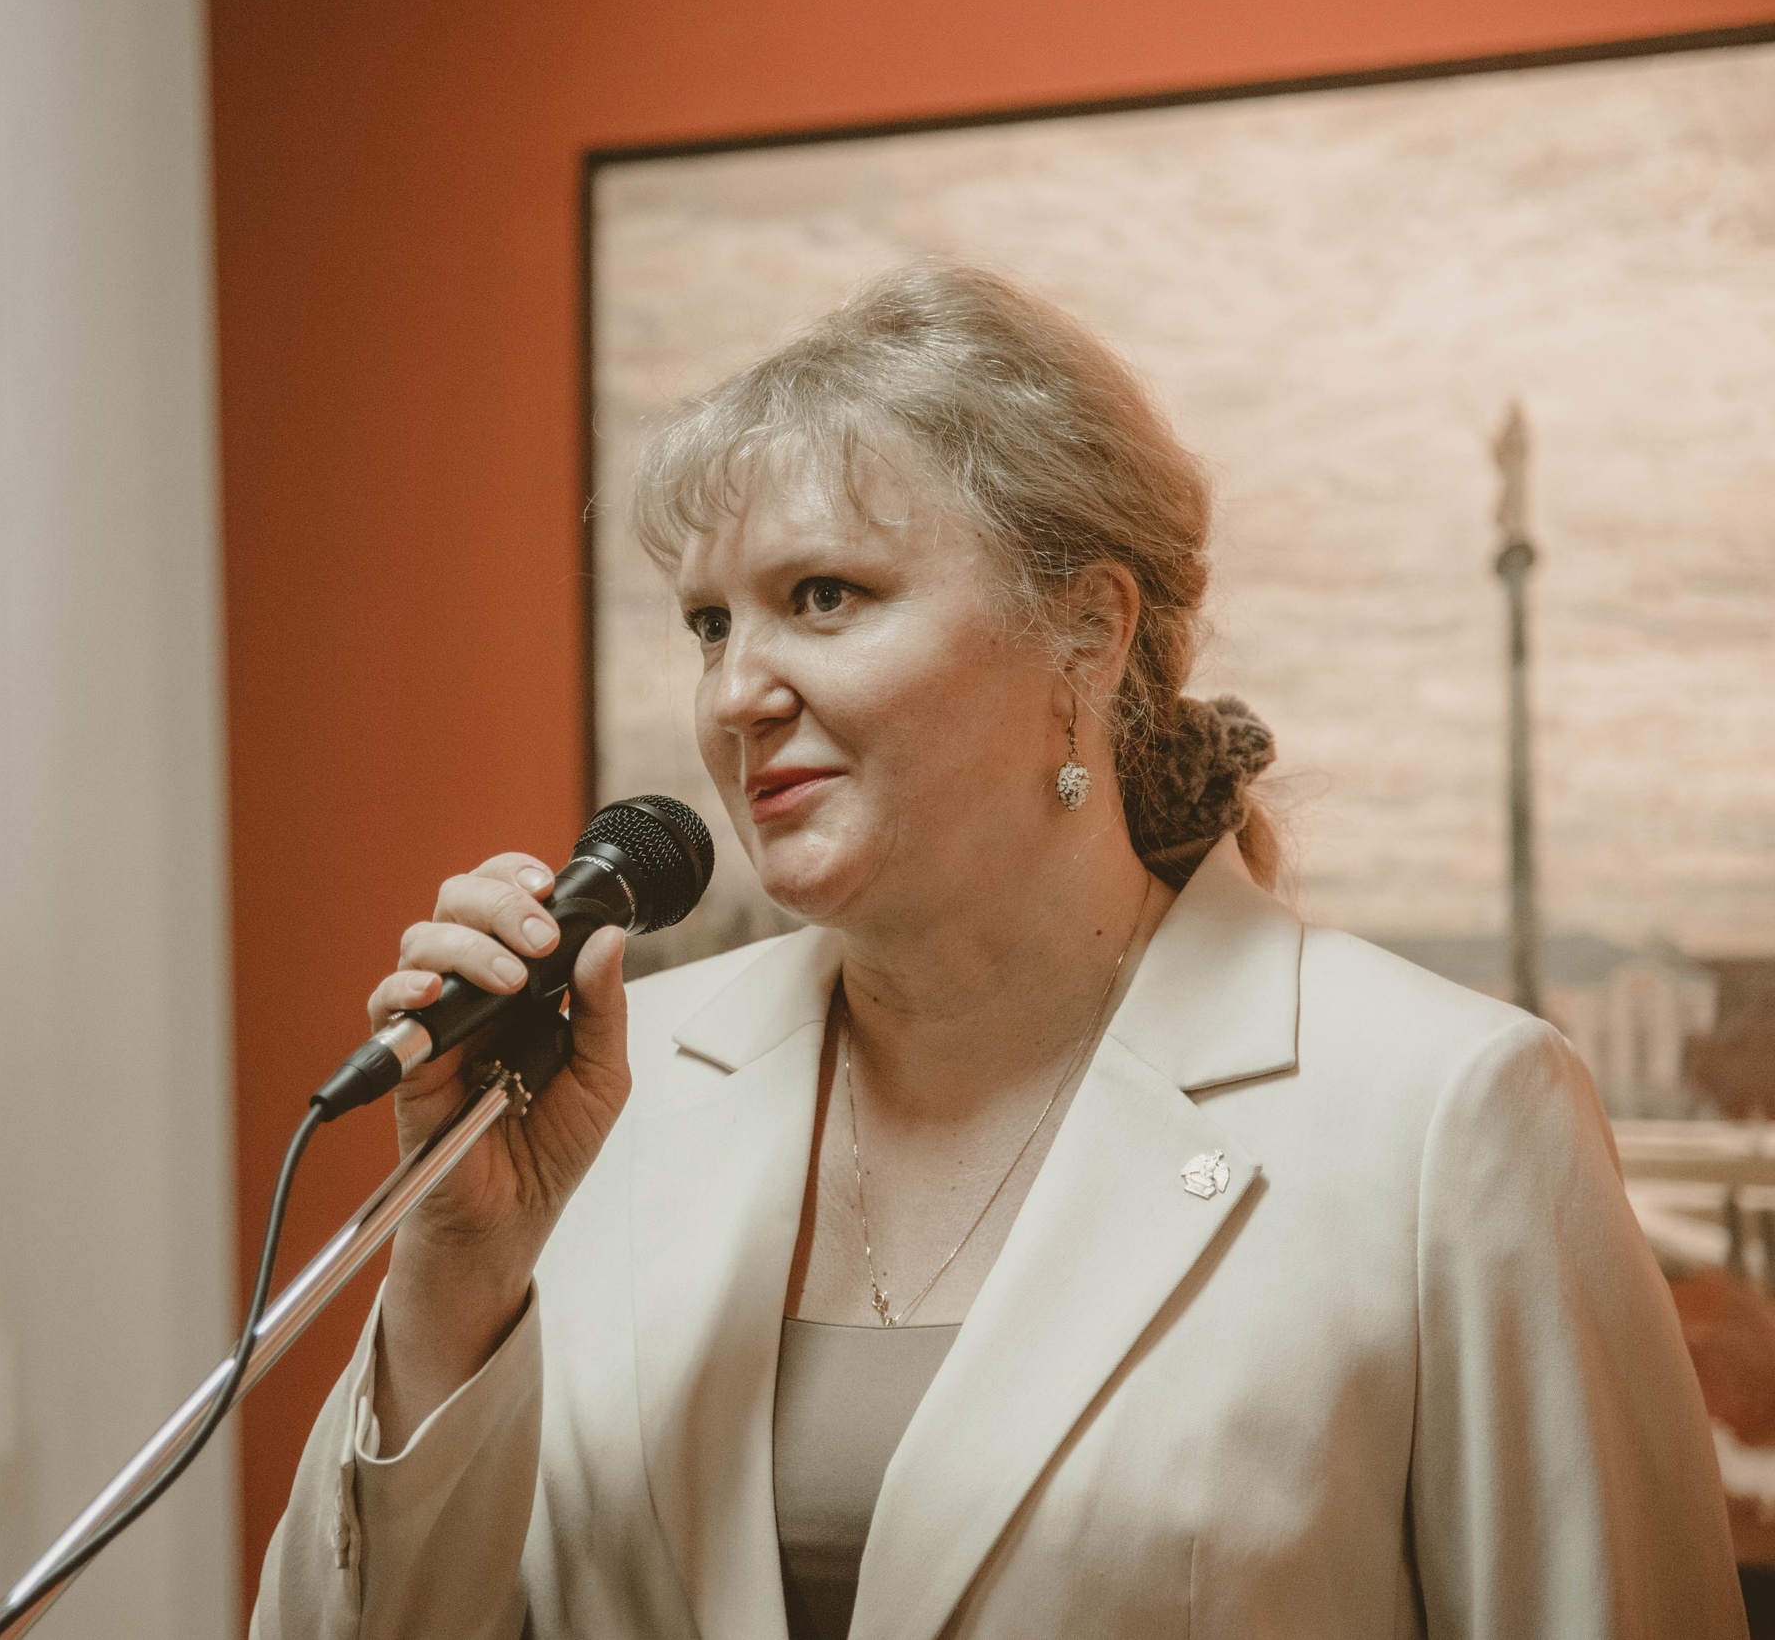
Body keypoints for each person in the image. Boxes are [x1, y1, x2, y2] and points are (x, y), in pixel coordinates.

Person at [251, 265, 1742, 1639]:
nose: (738, 692)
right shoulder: (606, 1092)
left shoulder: (1449, 1118)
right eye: (709, 624)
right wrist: (459, 1264)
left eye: (823, 597)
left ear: (1087, 631)